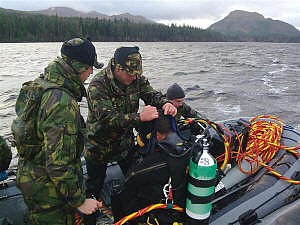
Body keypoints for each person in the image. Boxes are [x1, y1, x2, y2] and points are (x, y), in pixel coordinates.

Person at [84, 46, 177, 224]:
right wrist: (139, 117)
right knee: (93, 188)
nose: (134, 77)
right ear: (118, 69)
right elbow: (107, 118)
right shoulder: (98, 85)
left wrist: (165, 103)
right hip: (98, 147)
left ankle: (135, 216)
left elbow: (151, 94)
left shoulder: (136, 79)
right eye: (131, 74)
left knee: (137, 179)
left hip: (124, 145)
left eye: (137, 74)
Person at [14, 37, 102, 225]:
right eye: (90, 67)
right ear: (79, 67)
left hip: (30, 177)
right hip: (50, 192)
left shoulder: (42, 83)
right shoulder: (62, 102)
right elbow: (58, 163)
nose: (91, 72)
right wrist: (79, 201)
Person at [111, 115, 190, 224]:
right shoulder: (188, 148)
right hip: (182, 199)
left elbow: (132, 177)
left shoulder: (157, 163)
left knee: (119, 195)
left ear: (157, 134)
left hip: (163, 207)